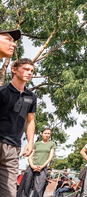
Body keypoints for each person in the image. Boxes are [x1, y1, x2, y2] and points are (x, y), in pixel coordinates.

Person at [0, 58, 36, 197]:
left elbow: (30, 121)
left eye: (31, 70)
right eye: (26, 69)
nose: (29, 73)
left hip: (14, 148)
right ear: (14, 70)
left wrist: (30, 142)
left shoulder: (31, 97)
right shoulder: (2, 92)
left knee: (9, 192)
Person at [17, 128, 56, 197]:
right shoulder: (36, 144)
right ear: (42, 134)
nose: (47, 135)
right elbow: (30, 156)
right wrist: (32, 165)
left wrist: (41, 167)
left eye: (48, 133)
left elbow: (50, 157)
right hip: (32, 166)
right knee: (26, 186)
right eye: (45, 133)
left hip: (42, 168)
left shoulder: (52, 144)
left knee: (38, 189)